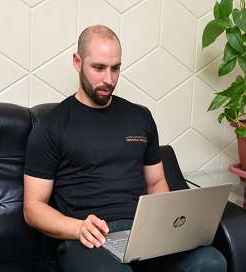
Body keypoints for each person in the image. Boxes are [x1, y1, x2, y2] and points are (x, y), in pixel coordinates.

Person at [23, 24, 226, 272]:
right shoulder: (51, 127)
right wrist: (78, 228)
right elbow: (33, 208)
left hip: (143, 235)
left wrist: (168, 227)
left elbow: (156, 183)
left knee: (211, 262)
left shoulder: (140, 118)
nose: (108, 79)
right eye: (98, 68)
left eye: (115, 68)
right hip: (89, 240)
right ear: (77, 62)